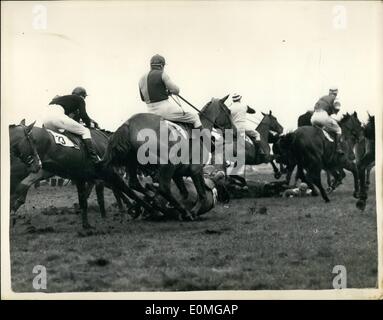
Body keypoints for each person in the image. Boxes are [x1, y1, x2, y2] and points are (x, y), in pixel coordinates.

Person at [139, 54, 202, 129]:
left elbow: (143, 99)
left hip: (150, 111)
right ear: (162, 66)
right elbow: (176, 90)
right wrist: (169, 92)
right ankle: (204, 140)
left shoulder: (141, 79)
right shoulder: (162, 74)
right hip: (164, 109)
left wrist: (162, 92)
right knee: (194, 117)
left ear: (150, 65)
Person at [42, 86, 101, 165]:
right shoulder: (79, 99)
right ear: (82, 95)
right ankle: (94, 158)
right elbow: (83, 115)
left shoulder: (63, 99)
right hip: (57, 117)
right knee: (85, 131)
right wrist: (89, 125)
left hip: (45, 120)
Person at [229, 93, 269, 161]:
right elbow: (253, 111)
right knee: (257, 134)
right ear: (240, 99)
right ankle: (259, 152)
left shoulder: (229, 107)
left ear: (233, 100)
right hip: (243, 127)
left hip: (233, 129)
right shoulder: (244, 105)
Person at [311, 86, 344, 154]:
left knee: (323, 131)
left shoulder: (322, 97)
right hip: (323, 116)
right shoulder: (335, 98)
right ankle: (337, 147)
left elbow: (314, 108)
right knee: (339, 130)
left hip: (313, 117)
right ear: (336, 93)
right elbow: (337, 109)